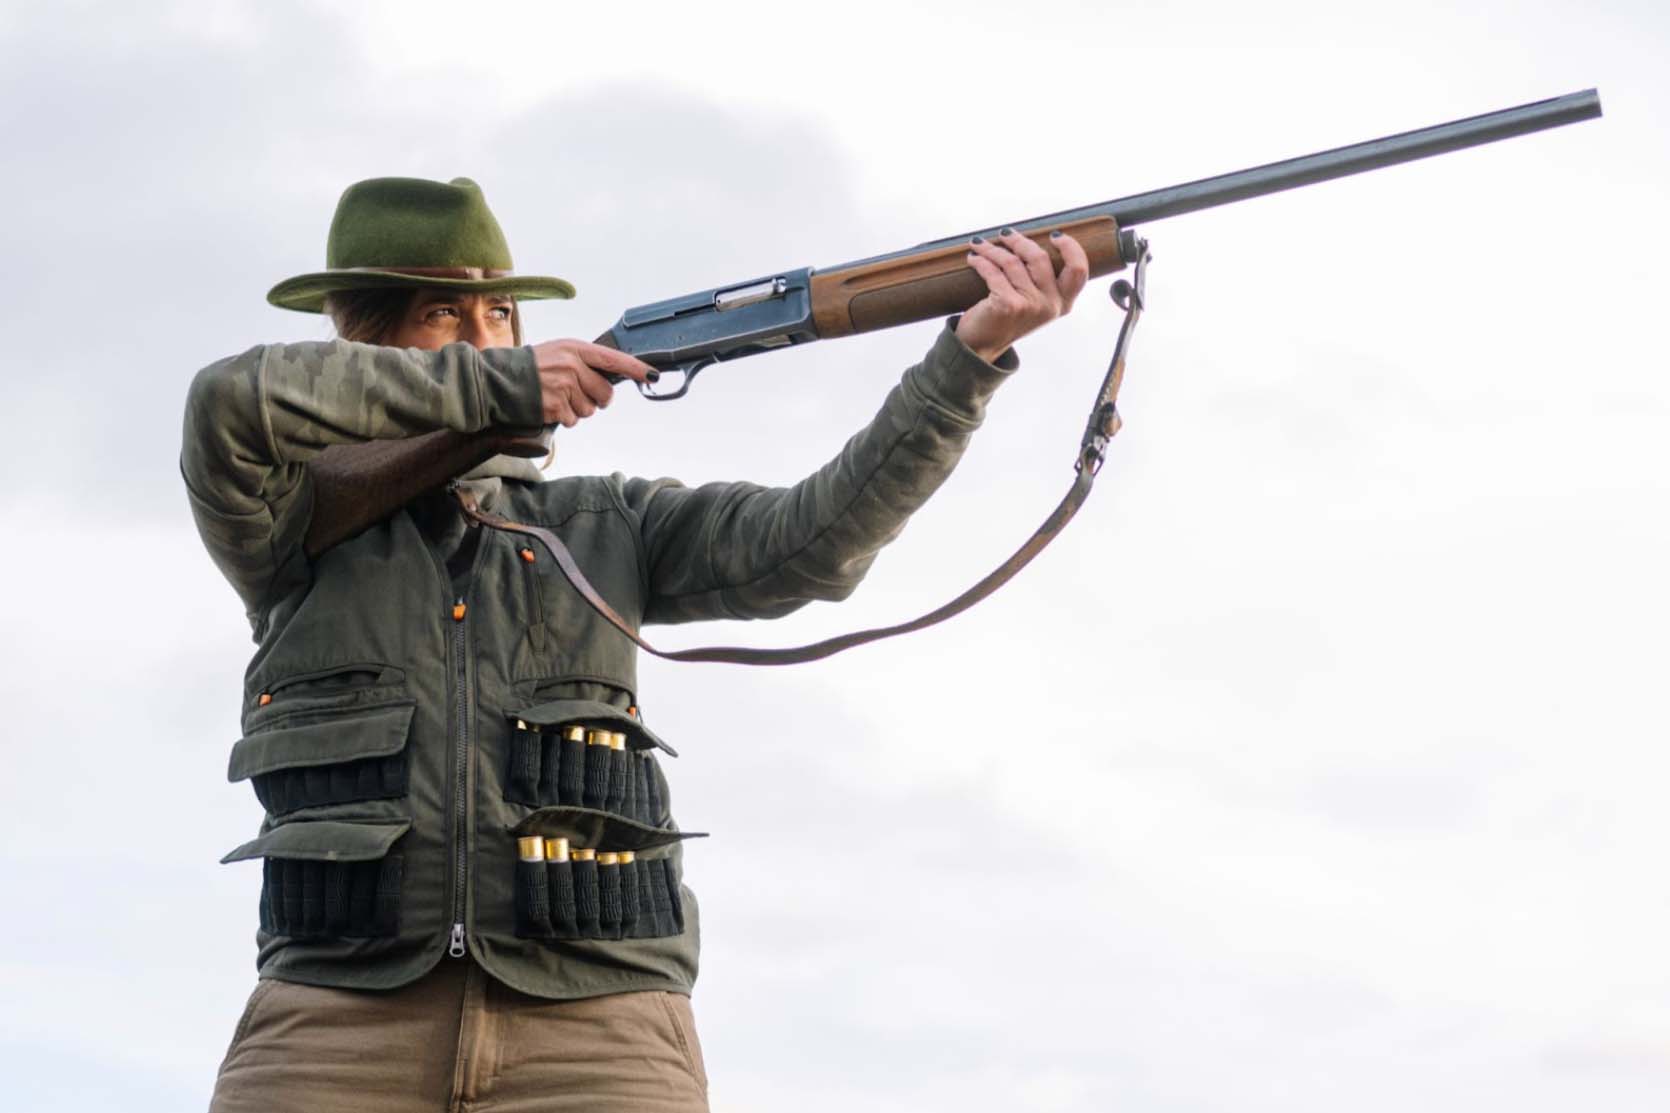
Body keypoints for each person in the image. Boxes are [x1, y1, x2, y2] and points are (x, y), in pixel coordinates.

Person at [183, 175, 1088, 1112]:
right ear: (363, 337)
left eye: (500, 313)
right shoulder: (284, 522)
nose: (486, 336)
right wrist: (505, 389)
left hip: (601, 1029)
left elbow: (811, 544)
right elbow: (227, 400)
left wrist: (966, 358)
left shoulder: (602, 518)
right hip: (333, 1025)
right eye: (441, 315)